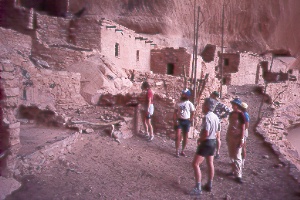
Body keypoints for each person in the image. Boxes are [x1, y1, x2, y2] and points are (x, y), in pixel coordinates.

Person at [190, 98, 219, 195]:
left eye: (203, 104)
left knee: (195, 164)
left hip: (206, 142)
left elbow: (206, 133)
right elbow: (217, 131)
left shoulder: (207, 117)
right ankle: (209, 184)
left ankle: (198, 188)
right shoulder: (215, 116)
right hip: (213, 142)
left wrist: (200, 139)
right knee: (210, 163)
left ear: (207, 106)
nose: (202, 106)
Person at [226, 98, 246, 183]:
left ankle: (238, 175)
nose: (233, 106)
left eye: (234, 104)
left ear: (237, 106)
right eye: (232, 104)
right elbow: (230, 125)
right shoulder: (231, 114)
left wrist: (241, 139)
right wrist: (227, 135)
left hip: (238, 137)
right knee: (231, 154)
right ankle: (233, 170)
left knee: (237, 156)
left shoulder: (241, 115)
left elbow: (243, 127)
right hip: (231, 136)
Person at [173, 89, 195, 157]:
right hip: (179, 120)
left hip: (186, 121)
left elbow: (193, 112)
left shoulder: (189, 104)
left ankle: (182, 150)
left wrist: (190, 120)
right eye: (182, 94)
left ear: (187, 96)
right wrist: (174, 120)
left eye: (184, 94)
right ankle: (177, 150)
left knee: (185, 136)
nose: (183, 95)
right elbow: (175, 112)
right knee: (178, 136)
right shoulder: (178, 103)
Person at [210, 91, 231, 159]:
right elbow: (228, 111)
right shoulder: (220, 104)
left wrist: (222, 117)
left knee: (211, 137)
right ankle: (217, 153)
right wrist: (221, 117)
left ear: (213, 96)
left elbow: (228, 111)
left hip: (211, 122)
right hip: (217, 122)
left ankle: (212, 152)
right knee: (217, 137)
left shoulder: (210, 104)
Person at [241, 102, 250, 168]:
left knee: (243, 146)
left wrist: (242, 131)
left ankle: (243, 161)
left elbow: (247, 125)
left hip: (243, 132)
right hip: (242, 131)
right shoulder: (243, 114)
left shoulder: (245, 115)